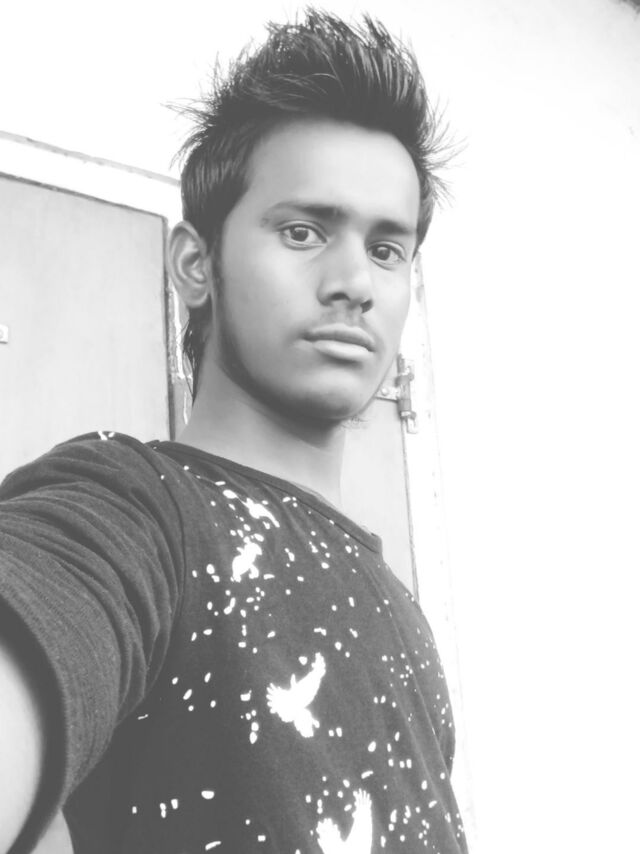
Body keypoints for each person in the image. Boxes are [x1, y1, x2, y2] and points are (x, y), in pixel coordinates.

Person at [0, 10, 466, 854]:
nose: (355, 282)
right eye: (303, 231)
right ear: (195, 264)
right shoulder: (136, 513)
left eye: (387, 249)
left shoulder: (404, 615)